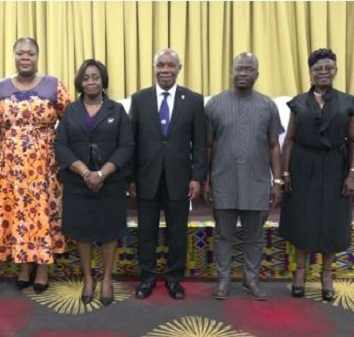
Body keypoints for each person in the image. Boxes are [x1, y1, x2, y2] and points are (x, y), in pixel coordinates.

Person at [0, 37, 71, 294]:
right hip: (9, 165)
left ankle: (43, 268)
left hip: (45, 164)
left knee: (42, 213)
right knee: (17, 215)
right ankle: (23, 267)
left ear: (38, 56)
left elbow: (70, 122)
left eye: (31, 53)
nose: (26, 57)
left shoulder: (54, 85)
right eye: (21, 53)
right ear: (13, 55)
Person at [279, 48, 354, 302]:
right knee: (301, 217)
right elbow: (289, 140)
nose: (323, 72)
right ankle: (301, 272)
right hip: (303, 166)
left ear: (335, 71)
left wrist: (352, 174)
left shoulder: (348, 103)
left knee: (332, 219)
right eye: (318, 69)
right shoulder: (298, 102)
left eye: (328, 68)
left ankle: (327, 274)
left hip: (335, 167)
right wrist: (284, 172)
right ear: (311, 73)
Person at [203, 52, 284, 301]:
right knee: (223, 235)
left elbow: (273, 146)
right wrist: (205, 179)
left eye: (249, 70)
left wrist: (277, 181)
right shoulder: (214, 104)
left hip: (257, 182)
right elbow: (207, 146)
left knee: (254, 237)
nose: (243, 74)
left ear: (257, 75)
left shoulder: (268, 105)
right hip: (222, 181)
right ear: (231, 71)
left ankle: (251, 279)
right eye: (239, 69)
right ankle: (224, 279)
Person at [54, 59, 134, 306]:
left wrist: (102, 174)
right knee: (82, 233)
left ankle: (107, 278)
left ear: (103, 80)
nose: (91, 81)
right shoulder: (71, 111)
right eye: (86, 77)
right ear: (80, 82)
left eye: (95, 77)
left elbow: (126, 146)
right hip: (78, 182)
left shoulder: (117, 110)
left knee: (110, 231)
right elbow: (61, 146)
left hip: (110, 183)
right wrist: (86, 173)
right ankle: (89, 279)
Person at [129, 49, 207, 300]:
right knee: (146, 232)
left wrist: (196, 177)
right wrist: (130, 177)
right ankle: (148, 278)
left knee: (177, 233)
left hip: (179, 179)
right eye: (160, 65)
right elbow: (132, 141)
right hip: (146, 179)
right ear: (154, 68)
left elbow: (200, 142)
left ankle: (174, 279)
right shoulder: (139, 99)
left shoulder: (193, 100)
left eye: (170, 65)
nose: (165, 70)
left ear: (179, 68)